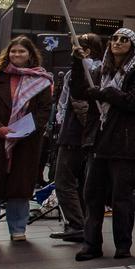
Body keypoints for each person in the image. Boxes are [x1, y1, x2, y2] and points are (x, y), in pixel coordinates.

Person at [71, 27, 135, 261]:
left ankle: (123, 245)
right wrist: (77, 63)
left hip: (124, 145)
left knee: (121, 197)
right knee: (92, 195)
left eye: (124, 39)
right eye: (115, 38)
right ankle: (91, 244)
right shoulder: (99, 71)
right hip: (99, 142)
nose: (117, 42)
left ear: (133, 45)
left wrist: (107, 94)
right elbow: (80, 91)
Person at [0, 36, 54, 243]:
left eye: (21, 51)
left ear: (30, 55)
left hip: (26, 141)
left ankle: (18, 229)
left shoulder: (42, 81)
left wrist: (27, 130)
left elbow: (44, 111)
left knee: (20, 186)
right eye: (13, 51)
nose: (17, 55)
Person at [51, 33, 104, 243]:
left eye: (76, 47)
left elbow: (80, 104)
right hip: (83, 135)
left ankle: (76, 223)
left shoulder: (85, 72)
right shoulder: (99, 70)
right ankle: (83, 223)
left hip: (75, 134)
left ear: (87, 50)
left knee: (63, 180)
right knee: (82, 181)